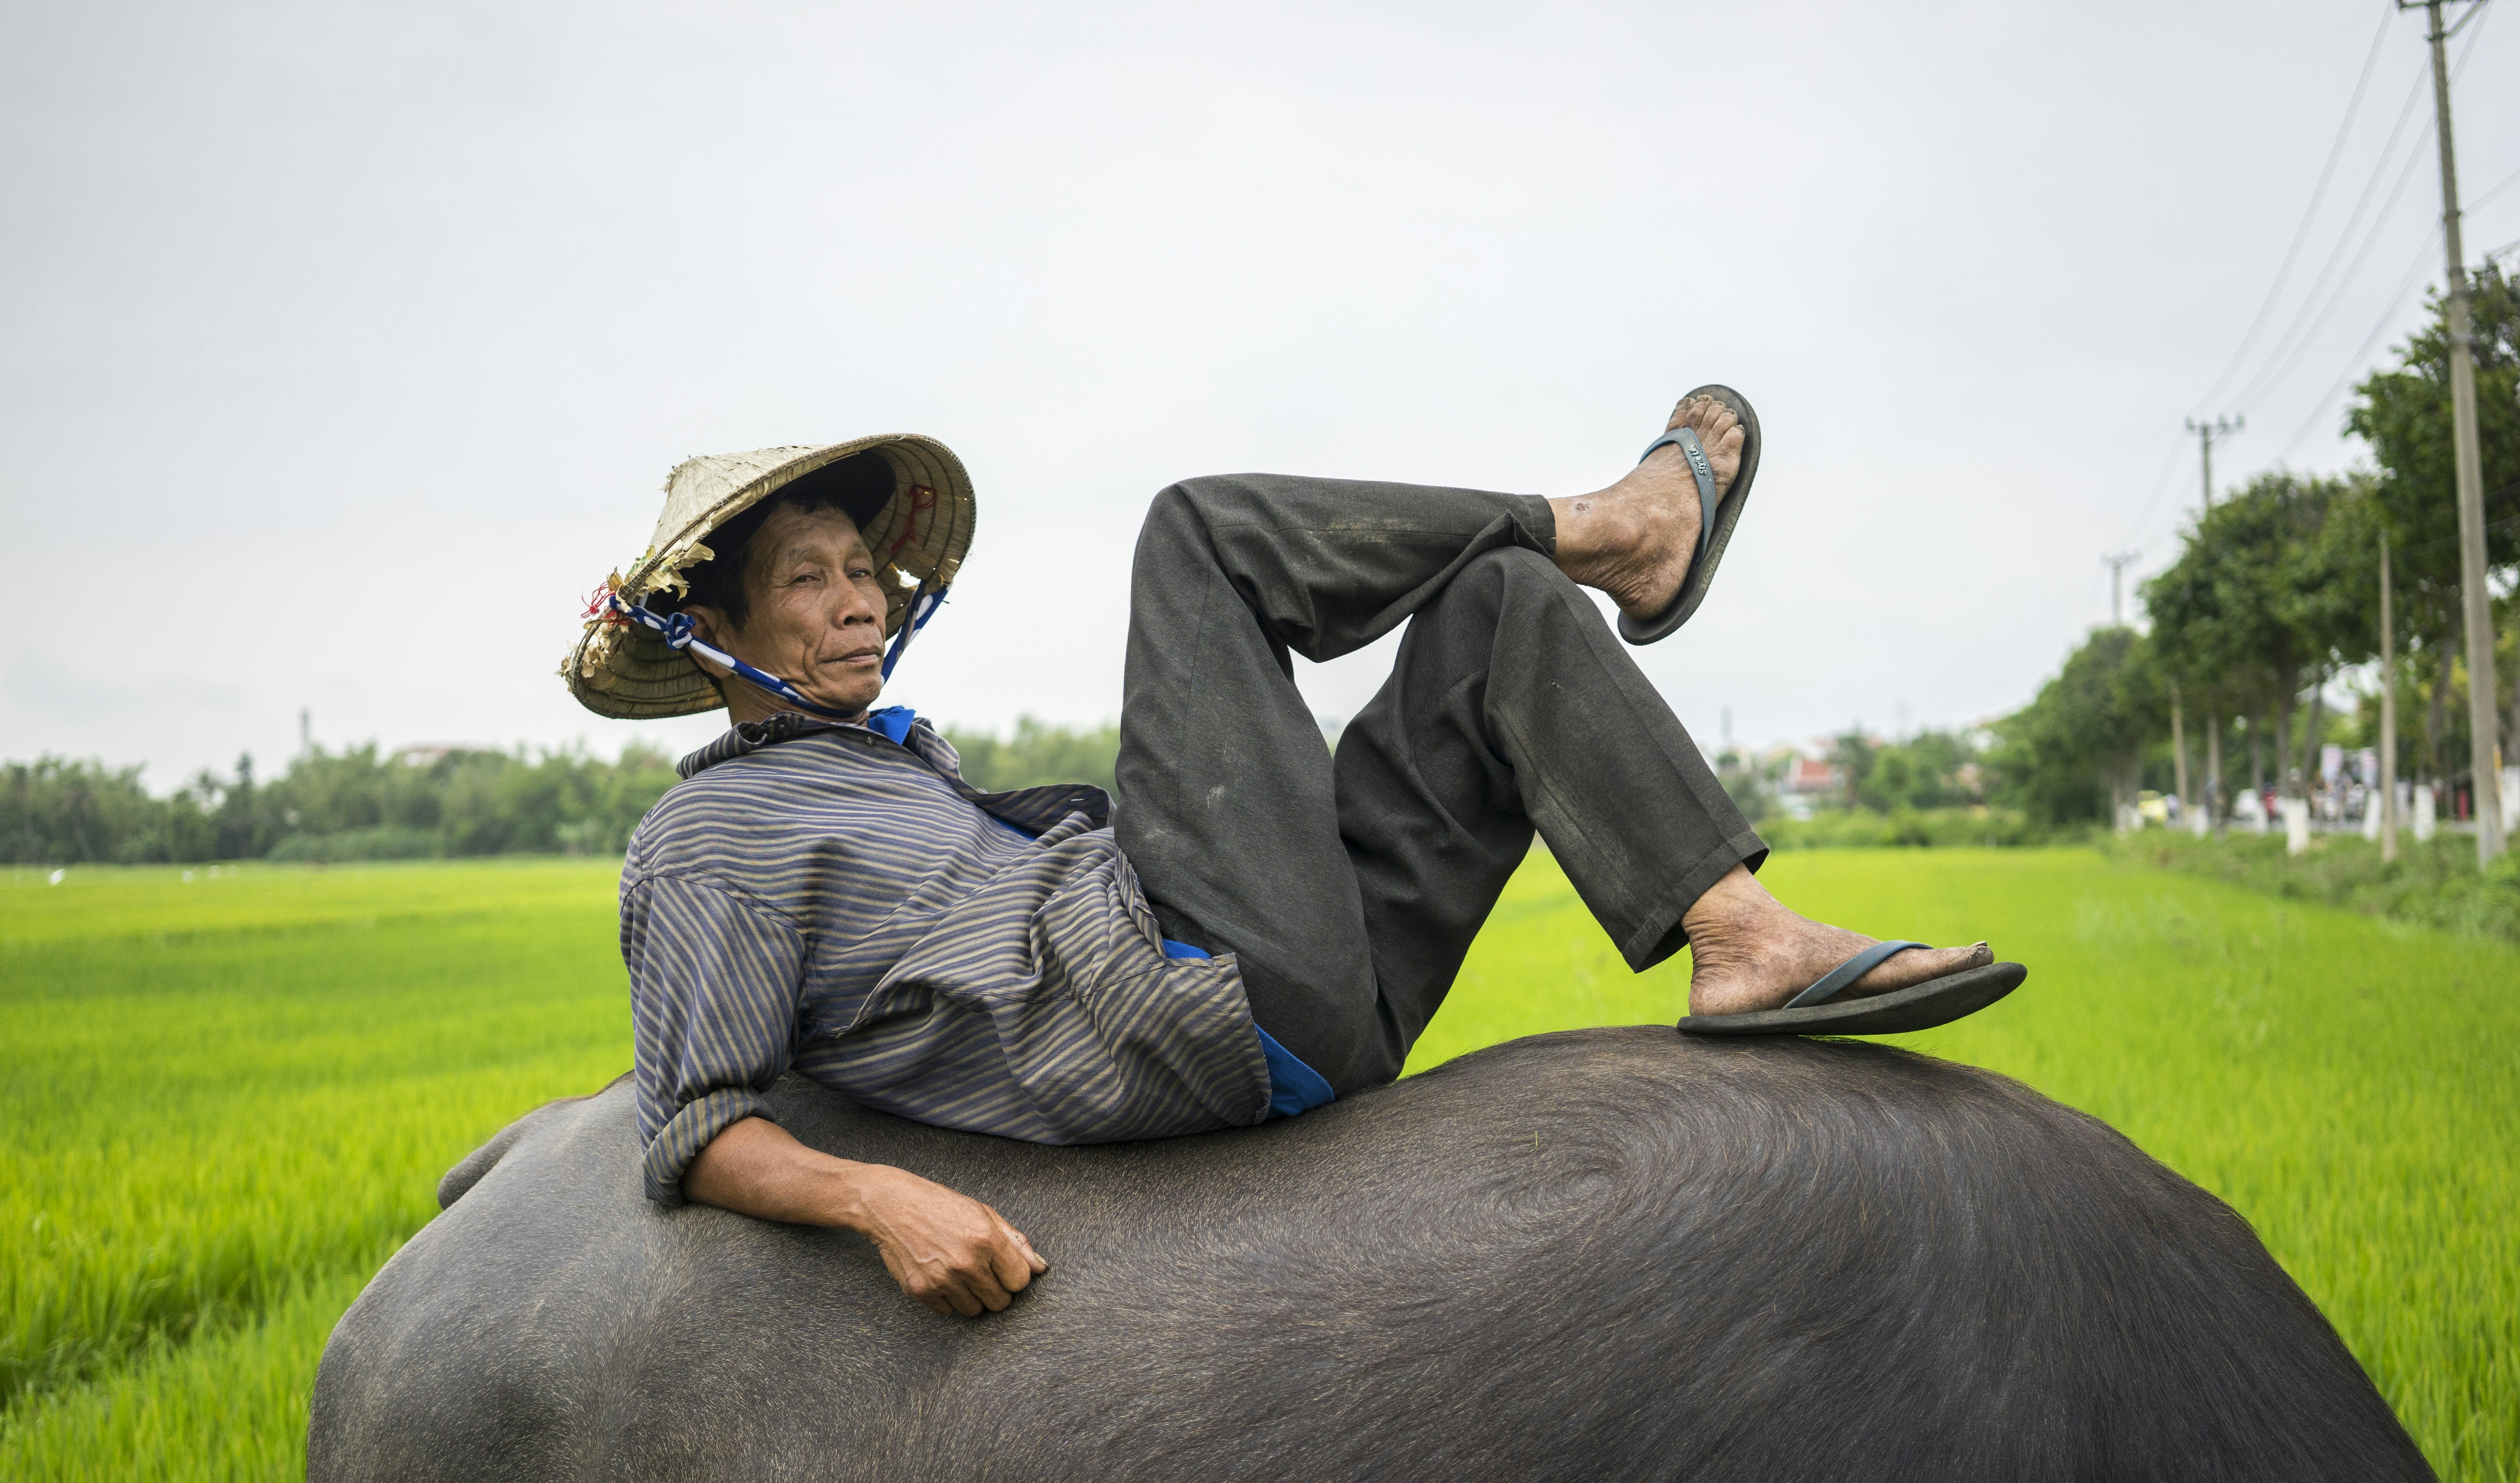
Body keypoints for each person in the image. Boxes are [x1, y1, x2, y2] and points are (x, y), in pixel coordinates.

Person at [562, 392, 2011, 1318]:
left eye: (862, 569)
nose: (858, 599)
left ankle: (1740, 933)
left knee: (1499, 609)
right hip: (1183, 993)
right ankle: (1623, 530)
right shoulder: (708, 838)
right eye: (805, 580)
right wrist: (885, 1199)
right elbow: (695, 1122)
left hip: (1312, 1001)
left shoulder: (897, 769)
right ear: (715, 639)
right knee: (1194, 536)